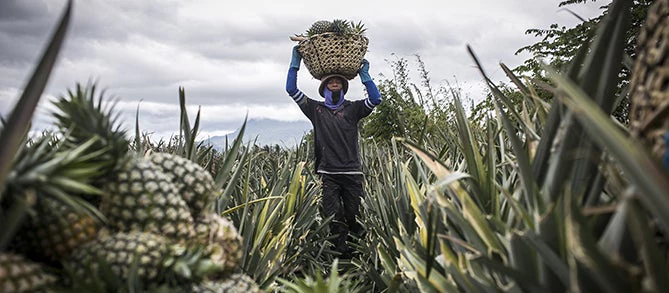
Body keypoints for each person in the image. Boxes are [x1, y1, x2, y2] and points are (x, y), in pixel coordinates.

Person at [285, 45, 382, 258]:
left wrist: (366, 76)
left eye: (337, 81)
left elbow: (375, 99)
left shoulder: (353, 109)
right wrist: (295, 63)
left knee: (355, 215)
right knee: (332, 216)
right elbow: (291, 89)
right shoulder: (315, 110)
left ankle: (359, 254)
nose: (334, 82)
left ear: (344, 87)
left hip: (352, 173)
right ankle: (339, 256)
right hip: (328, 173)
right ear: (324, 87)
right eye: (330, 81)